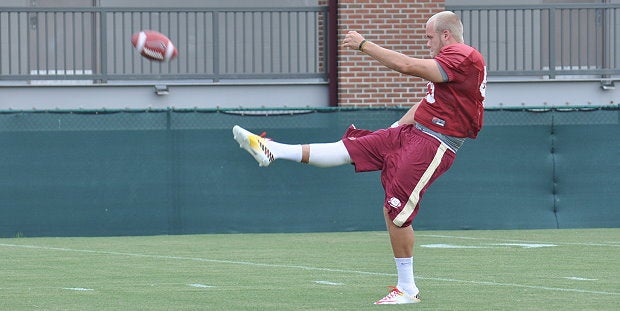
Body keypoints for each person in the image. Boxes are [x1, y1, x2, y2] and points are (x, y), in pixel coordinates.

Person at [232, 10, 486, 304]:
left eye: (429, 37)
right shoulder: (451, 63)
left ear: (446, 34)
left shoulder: (463, 55)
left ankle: (407, 289)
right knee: (349, 147)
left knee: (396, 210)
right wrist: (394, 130)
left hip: (435, 142)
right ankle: (275, 150)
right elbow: (426, 103)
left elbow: (406, 66)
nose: (427, 42)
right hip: (415, 133)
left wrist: (365, 44)